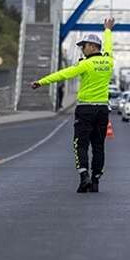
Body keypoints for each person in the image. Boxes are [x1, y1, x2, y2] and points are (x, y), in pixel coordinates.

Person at [32, 17, 115, 193]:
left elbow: (63, 74)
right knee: (99, 145)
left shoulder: (85, 64)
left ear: (92, 47)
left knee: (81, 144)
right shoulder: (108, 61)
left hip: (85, 109)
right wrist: (108, 29)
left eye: (84, 46)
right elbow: (108, 46)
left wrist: (41, 82)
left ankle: (84, 175)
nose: (82, 49)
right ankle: (96, 180)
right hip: (102, 110)